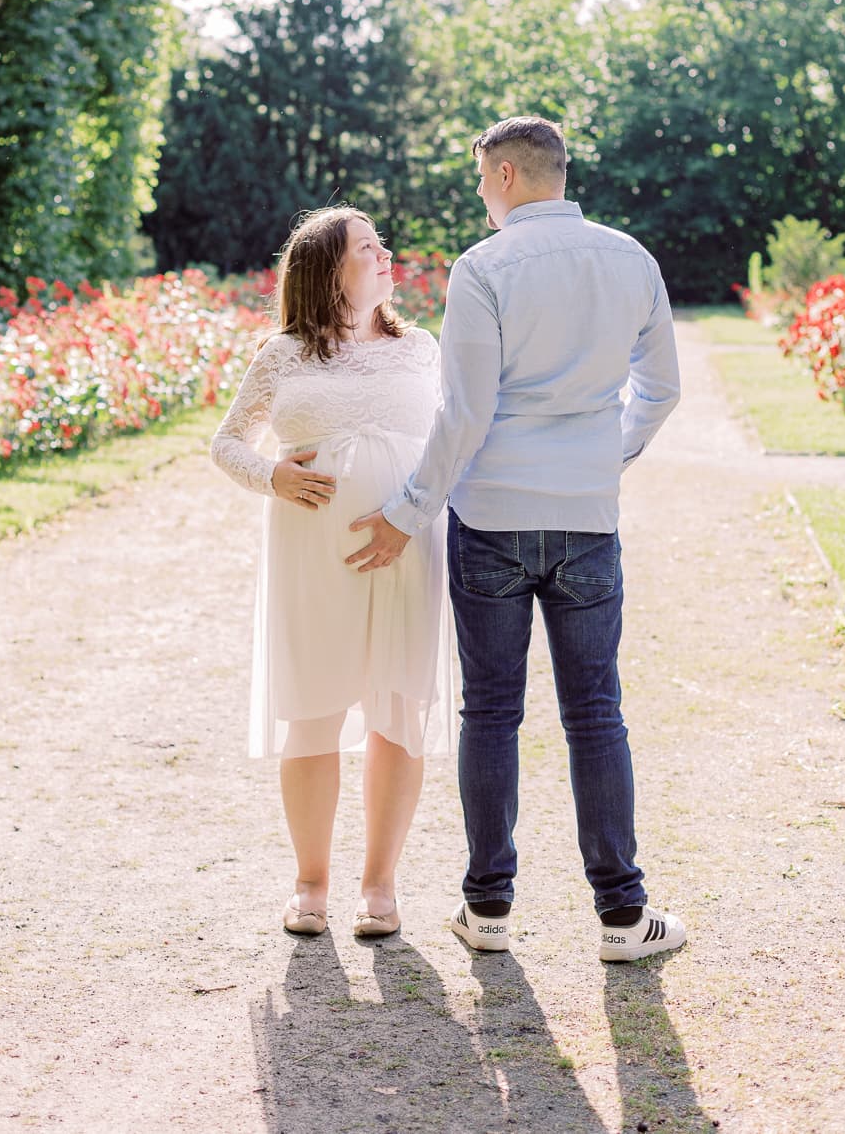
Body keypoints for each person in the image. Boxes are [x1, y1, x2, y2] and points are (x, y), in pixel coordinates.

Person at [349, 116, 683, 963]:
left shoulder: (484, 267)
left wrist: (408, 510)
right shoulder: (631, 259)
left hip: (492, 517)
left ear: (502, 173)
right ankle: (621, 916)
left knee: (492, 711)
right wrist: (609, 455)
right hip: (587, 516)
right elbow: (662, 389)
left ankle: (487, 907)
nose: (479, 195)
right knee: (595, 713)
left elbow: (466, 412)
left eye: (478, 180)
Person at [210, 207, 451, 940]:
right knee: (313, 708)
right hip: (313, 552)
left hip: (410, 545)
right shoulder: (283, 353)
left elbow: (452, 439)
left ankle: (380, 884)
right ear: (326, 271)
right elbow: (227, 443)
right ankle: (310, 883)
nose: (385, 255)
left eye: (383, 243)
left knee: (398, 707)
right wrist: (274, 475)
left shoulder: (422, 350)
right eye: (366, 248)